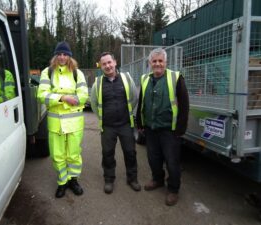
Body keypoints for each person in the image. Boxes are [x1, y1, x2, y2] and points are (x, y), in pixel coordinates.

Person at [136, 48, 189, 206]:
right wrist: (140, 122)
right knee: (153, 158)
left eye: (160, 61)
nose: (157, 64)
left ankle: (173, 189)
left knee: (172, 161)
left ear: (165, 63)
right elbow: (141, 102)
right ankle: (157, 179)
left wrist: (180, 128)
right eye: (154, 61)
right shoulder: (145, 79)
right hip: (151, 128)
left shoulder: (176, 77)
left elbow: (185, 104)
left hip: (169, 130)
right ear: (150, 63)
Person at [37, 41, 88, 198]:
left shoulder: (77, 73)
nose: (62, 57)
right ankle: (62, 182)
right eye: (59, 54)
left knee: (73, 154)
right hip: (55, 124)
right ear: (55, 55)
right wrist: (64, 97)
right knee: (57, 155)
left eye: (65, 54)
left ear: (70, 56)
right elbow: (41, 95)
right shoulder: (48, 72)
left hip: (74, 124)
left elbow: (83, 95)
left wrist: (58, 100)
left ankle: (73, 180)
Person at [91, 52, 141, 194]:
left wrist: (127, 112)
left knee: (130, 152)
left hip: (125, 124)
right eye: (104, 64)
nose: (107, 66)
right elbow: (94, 103)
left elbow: (134, 97)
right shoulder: (98, 83)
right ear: (101, 66)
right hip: (108, 126)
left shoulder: (126, 78)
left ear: (115, 62)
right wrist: (103, 116)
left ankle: (132, 179)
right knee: (107, 153)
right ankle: (109, 179)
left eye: (109, 62)